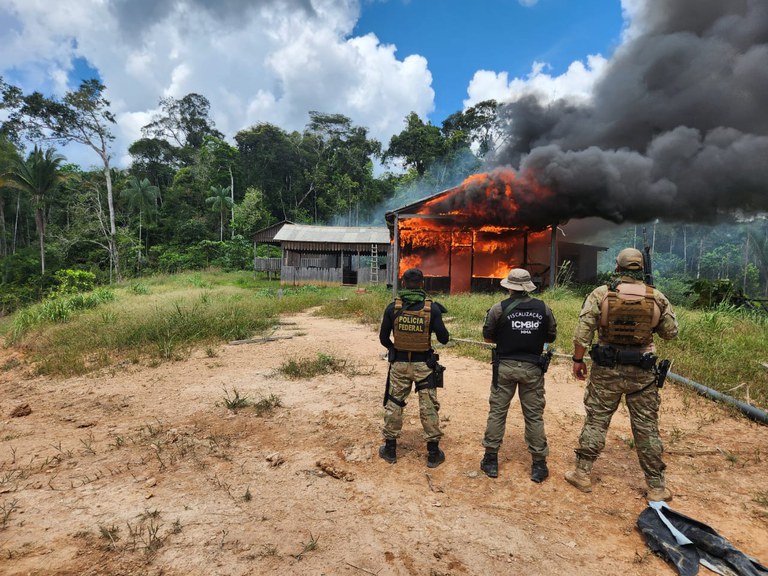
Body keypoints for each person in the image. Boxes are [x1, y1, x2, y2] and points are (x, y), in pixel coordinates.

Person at [566, 248, 679, 501]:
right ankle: (657, 487)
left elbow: (583, 331)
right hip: (642, 372)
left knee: (596, 420)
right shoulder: (657, 297)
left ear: (617, 268)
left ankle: (582, 473)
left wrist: (577, 359)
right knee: (646, 427)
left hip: (606, 369)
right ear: (641, 269)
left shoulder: (602, 294)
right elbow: (670, 333)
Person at [479, 268, 557, 482]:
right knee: (533, 416)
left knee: (497, 412)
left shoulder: (498, 308)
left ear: (509, 287)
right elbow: (551, 335)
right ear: (528, 286)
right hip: (533, 369)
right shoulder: (544, 308)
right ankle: (539, 465)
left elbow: (488, 337)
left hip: (504, 367)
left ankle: (491, 460)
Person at [378, 267, 450, 468]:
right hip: (424, 366)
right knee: (428, 406)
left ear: (402, 284)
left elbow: (383, 338)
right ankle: (433, 453)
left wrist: (394, 349)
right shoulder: (431, 309)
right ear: (422, 284)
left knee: (394, 403)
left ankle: (390, 449)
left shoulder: (392, 308)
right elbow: (444, 339)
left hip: (399, 365)